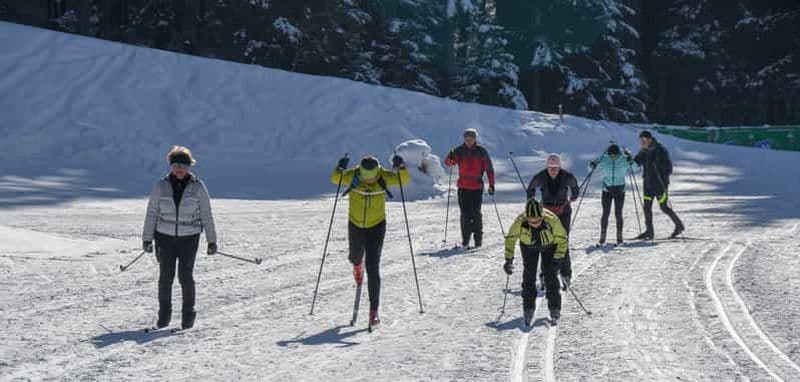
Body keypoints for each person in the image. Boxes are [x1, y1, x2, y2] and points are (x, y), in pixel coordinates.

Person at [143, 146, 217, 330]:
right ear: (171, 166)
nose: (179, 169)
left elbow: (207, 214)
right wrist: (147, 238)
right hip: (164, 237)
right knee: (165, 277)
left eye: (183, 166)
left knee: (185, 276)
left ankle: (188, 317)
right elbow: (152, 212)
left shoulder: (198, 187)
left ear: (189, 167)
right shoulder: (161, 186)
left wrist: (211, 240)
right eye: (176, 165)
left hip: (189, 238)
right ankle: (163, 317)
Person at [331, 155, 410, 329]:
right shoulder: (352, 175)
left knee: (373, 268)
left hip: (376, 225)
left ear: (376, 172)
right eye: (366, 178)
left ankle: (374, 312)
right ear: (361, 172)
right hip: (356, 224)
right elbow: (335, 178)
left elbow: (403, 178)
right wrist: (340, 166)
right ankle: (356, 266)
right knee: (355, 257)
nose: (369, 181)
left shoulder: (384, 175)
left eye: (372, 178)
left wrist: (401, 165)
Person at [503, 199, 569, 326]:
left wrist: (558, 258)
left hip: (550, 246)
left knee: (550, 275)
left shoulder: (552, 220)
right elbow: (510, 239)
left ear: (542, 216)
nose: (535, 224)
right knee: (528, 276)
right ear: (526, 217)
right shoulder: (520, 222)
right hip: (528, 246)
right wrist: (508, 260)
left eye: (538, 220)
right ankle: (528, 308)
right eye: (531, 221)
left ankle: (554, 308)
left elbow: (562, 240)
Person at [526, 153, 578, 287]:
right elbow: (531, 187)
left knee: (563, 241)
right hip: (546, 213)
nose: (553, 170)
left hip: (563, 212)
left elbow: (574, 186)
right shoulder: (541, 176)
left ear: (560, 167)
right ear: (547, 167)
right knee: (546, 242)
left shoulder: (566, 176)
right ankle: (545, 274)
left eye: (555, 167)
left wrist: (574, 195)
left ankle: (566, 274)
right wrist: (531, 199)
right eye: (550, 167)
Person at [444, 128, 496, 248]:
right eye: (466, 139)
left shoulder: (481, 151)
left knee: (476, 214)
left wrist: (492, 185)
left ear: (474, 139)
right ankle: (465, 241)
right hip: (463, 187)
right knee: (465, 214)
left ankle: (478, 240)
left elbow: (489, 169)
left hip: (477, 187)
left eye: (471, 139)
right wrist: (450, 155)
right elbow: (449, 163)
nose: (468, 141)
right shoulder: (459, 151)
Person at [631, 131, 685, 240]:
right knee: (646, 208)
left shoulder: (661, 150)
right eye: (640, 140)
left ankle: (679, 226)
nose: (642, 142)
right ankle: (649, 232)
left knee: (664, 207)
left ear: (650, 139)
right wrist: (628, 159)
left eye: (644, 140)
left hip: (660, 184)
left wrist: (659, 166)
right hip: (648, 185)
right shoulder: (644, 151)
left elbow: (669, 168)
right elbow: (636, 163)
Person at [589, 143, 639, 245]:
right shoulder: (604, 159)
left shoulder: (623, 160)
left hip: (620, 191)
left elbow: (635, 168)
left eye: (615, 155)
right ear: (608, 154)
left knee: (618, 213)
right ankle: (602, 237)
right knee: (605, 213)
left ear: (618, 154)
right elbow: (591, 169)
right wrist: (592, 164)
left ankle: (619, 237)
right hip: (607, 190)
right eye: (611, 155)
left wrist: (630, 159)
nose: (613, 157)